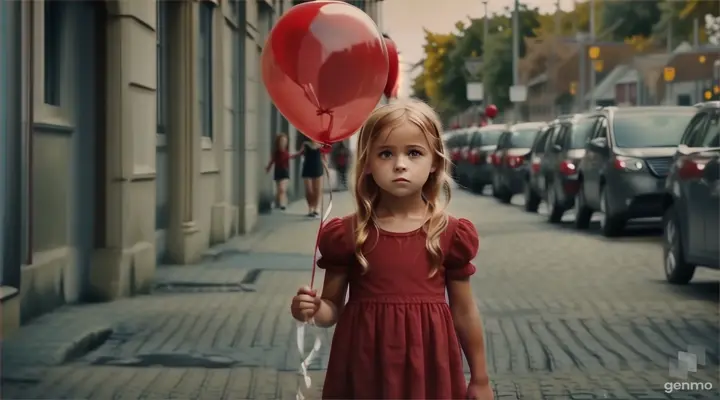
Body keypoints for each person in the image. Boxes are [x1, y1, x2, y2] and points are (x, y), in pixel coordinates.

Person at [290, 99, 493, 399]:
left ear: (434, 161)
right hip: (364, 368)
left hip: (429, 370)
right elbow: (332, 308)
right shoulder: (348, 234)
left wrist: (480, 378)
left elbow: (464, 311)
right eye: (386, 153)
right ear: (368, 162)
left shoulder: (450, 234)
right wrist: (313, 309)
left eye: (414, 152)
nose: (400, 164)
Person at [265, 133, 298, 211]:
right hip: (278, 172)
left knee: (282, 188)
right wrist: (268, 168)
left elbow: (292, 156)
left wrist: (300, 152)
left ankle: (283, 204)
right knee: (279, 190)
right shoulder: (276, 153)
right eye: (281, 141)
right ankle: (278, 201)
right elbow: (272, 161)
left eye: (284, 142)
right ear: (278, 142)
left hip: (285, 172)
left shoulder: (286, 152)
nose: (283, 143)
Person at [299, 139, 326, 218]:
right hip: (307, 167)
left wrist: (326, 165)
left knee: (317, 189)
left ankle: (316, 208)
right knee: (309, 190)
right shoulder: (305, 144)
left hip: (317, 167)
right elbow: (300, 153)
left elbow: (324, 155)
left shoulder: (321, 144)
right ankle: (310, 206)